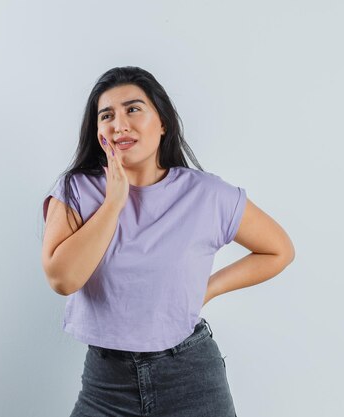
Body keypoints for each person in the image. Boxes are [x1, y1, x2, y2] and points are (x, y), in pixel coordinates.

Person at [41, 66, 295, 417]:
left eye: (133, 109)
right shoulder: (76, 190)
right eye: (106, 115)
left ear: (162, 123)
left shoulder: (208, 195)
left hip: (191, 376)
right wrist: (114, 201)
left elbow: (278, 250)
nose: (119, 124)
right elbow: (63, 279)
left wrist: (207, 290)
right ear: (98, 131)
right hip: (106, 384)